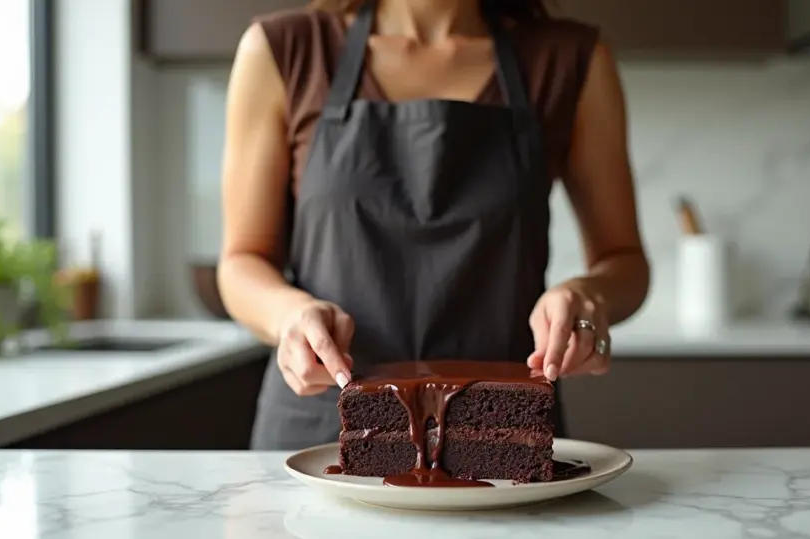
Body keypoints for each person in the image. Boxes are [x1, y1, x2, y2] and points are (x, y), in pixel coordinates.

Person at [218, 0, 650, 450]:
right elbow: (242, 260)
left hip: (503, 437)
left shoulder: (570, 60)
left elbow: (624, 260)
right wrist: (288, 313)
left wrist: (588, 295)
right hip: (319, 430)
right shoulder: (286, 50)